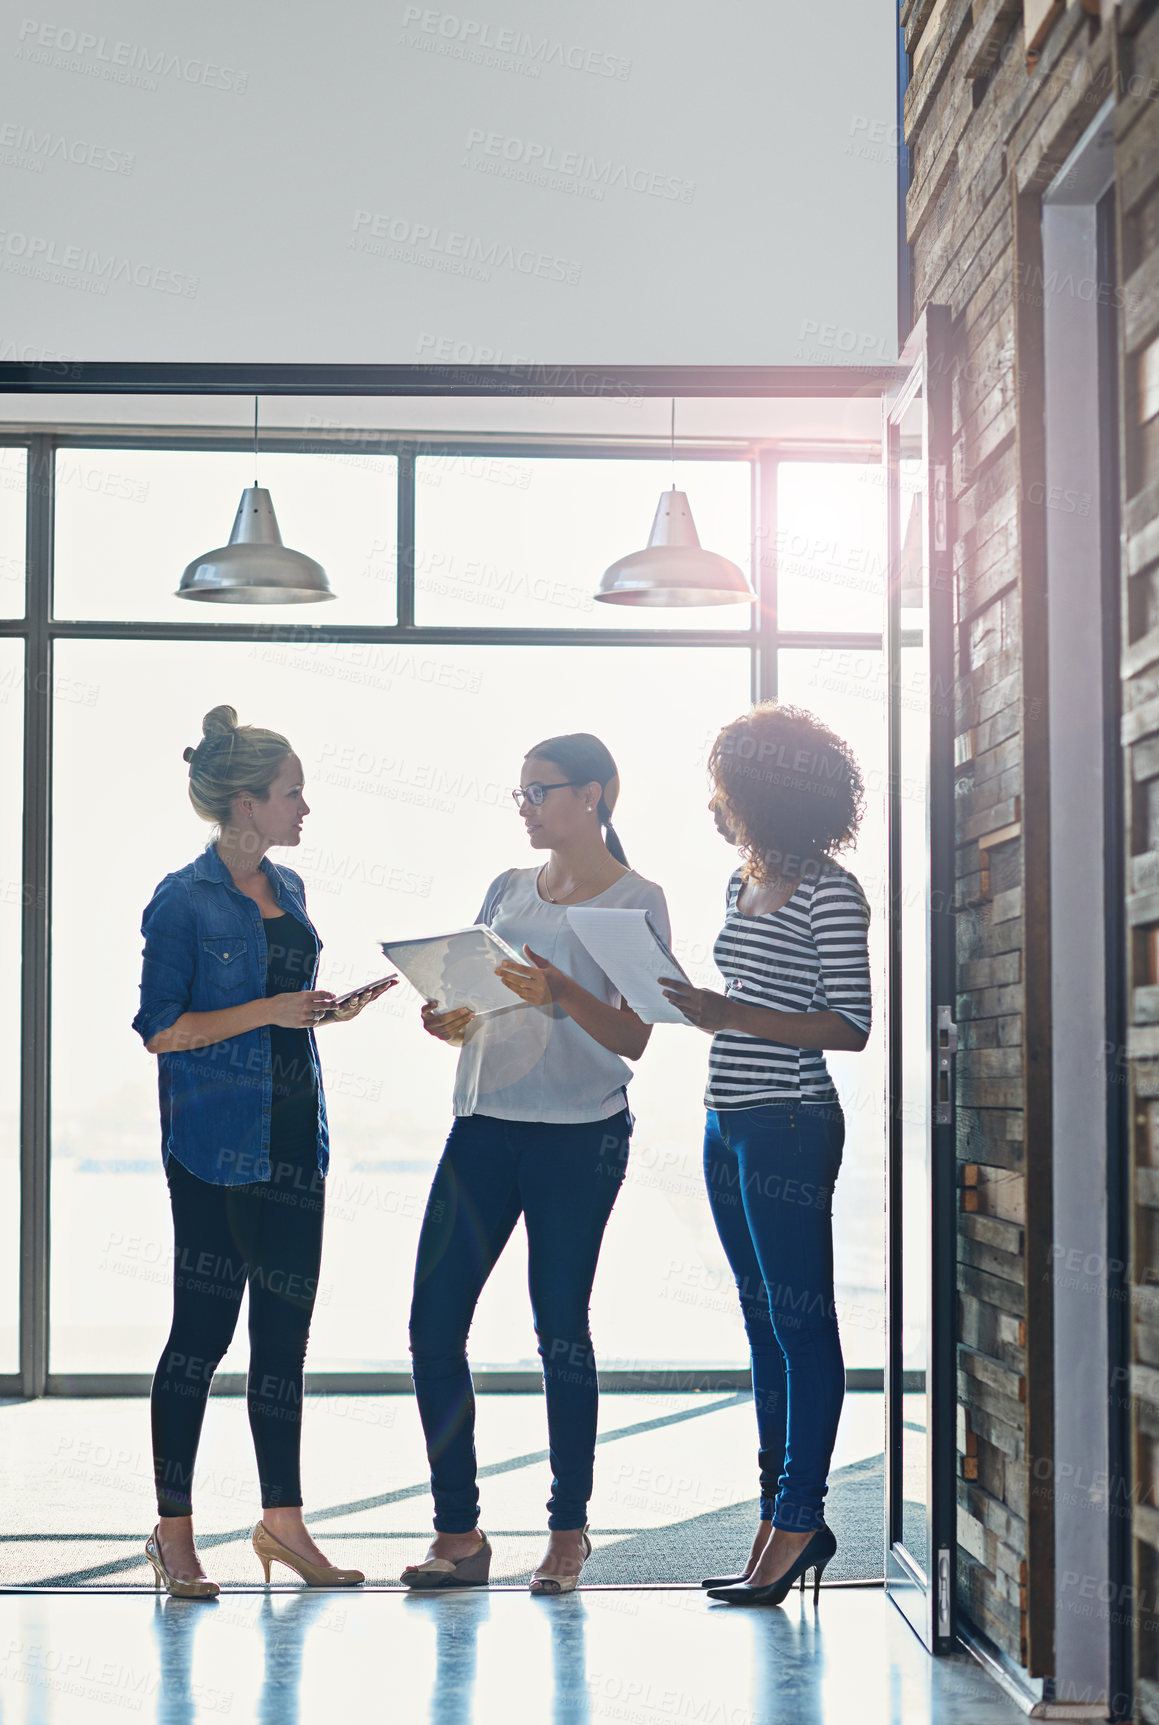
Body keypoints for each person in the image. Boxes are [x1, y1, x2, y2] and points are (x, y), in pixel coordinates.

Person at [133, 704, 394, 1597]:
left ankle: (282, 1523)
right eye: (292, 793)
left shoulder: (293, 892)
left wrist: (324, 1010)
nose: (304, 809)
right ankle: (173, 1535)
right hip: (212, 1149)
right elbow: (162, 1029)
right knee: (199, 1339)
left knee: (284, 1342)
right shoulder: (181, 900)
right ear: (244, 803)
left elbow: (284, 1009)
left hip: (295, 1142)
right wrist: (269, 1012)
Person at [402, 733, 670, 1597]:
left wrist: (560, 991)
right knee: (432, 1325)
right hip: (481, 1123)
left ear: (592, 794)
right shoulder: (506, 889)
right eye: (517, 793)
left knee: (560, 1330)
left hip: (578, 1133)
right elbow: (474, 1000)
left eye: (539, 791)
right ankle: (459, 1531)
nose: (524, 806)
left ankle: (567, 1529)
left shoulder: (638, 899)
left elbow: (635, 1034)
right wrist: (449, 1019)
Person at [659, 702, 871, 1607]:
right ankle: (775, 1516)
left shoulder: (833, 891)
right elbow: (737, 998)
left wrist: (730, 1011)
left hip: (789, 1119)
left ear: (767, 793)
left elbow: (850, 1025)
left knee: (798, 1324)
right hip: (725, 1117)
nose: (717, 801)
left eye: (729, 786)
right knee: (759, 1325)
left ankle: (800, 1518)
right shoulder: (735, 884)